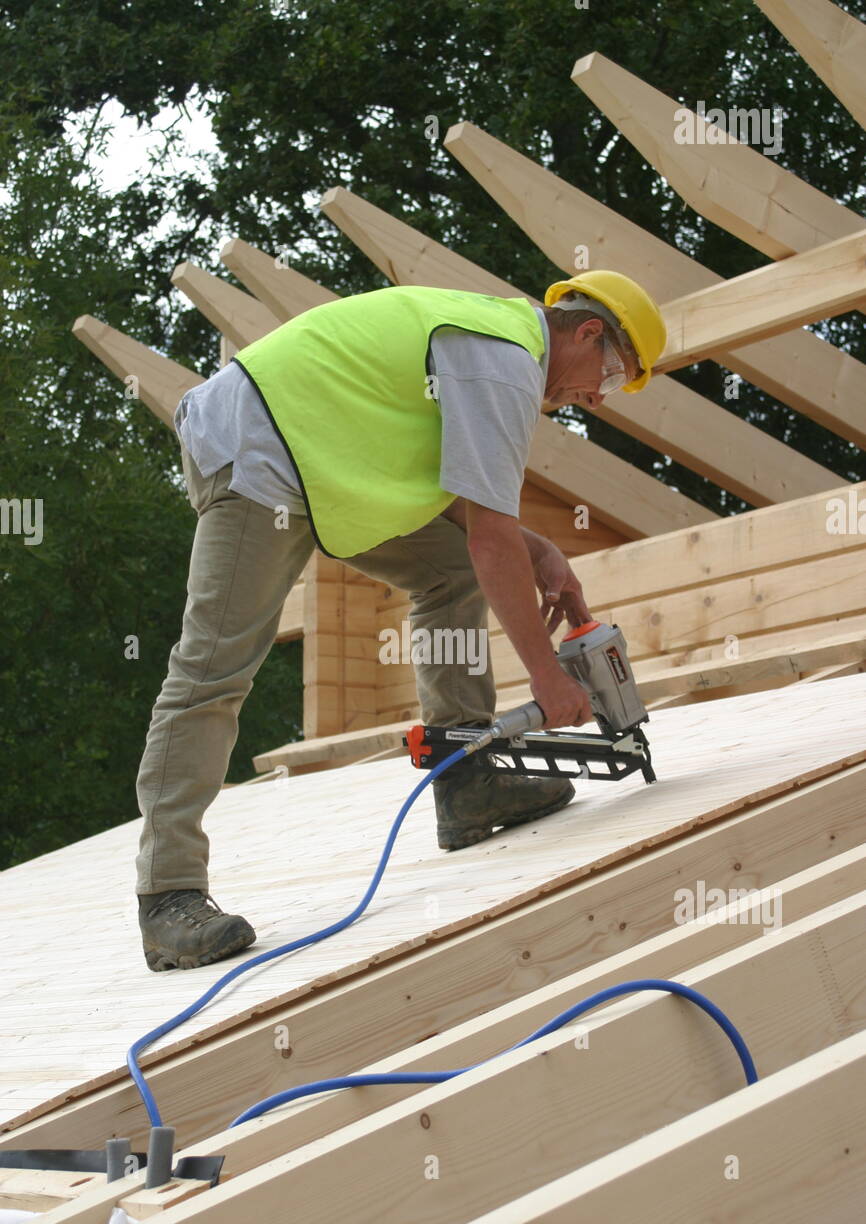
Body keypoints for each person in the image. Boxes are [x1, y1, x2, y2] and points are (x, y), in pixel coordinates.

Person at [135, 270, 666, 972]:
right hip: (258, 452)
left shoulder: (494, 347)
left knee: (450, 574)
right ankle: (168, 896)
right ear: (589, 331)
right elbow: (489, 538)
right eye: (611, 374)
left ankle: (467, 779)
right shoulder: (506, 361)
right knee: (213, 669)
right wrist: (548, 679)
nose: (596, 397)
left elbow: (467, 513)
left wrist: (539, 550)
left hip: (322, 459)